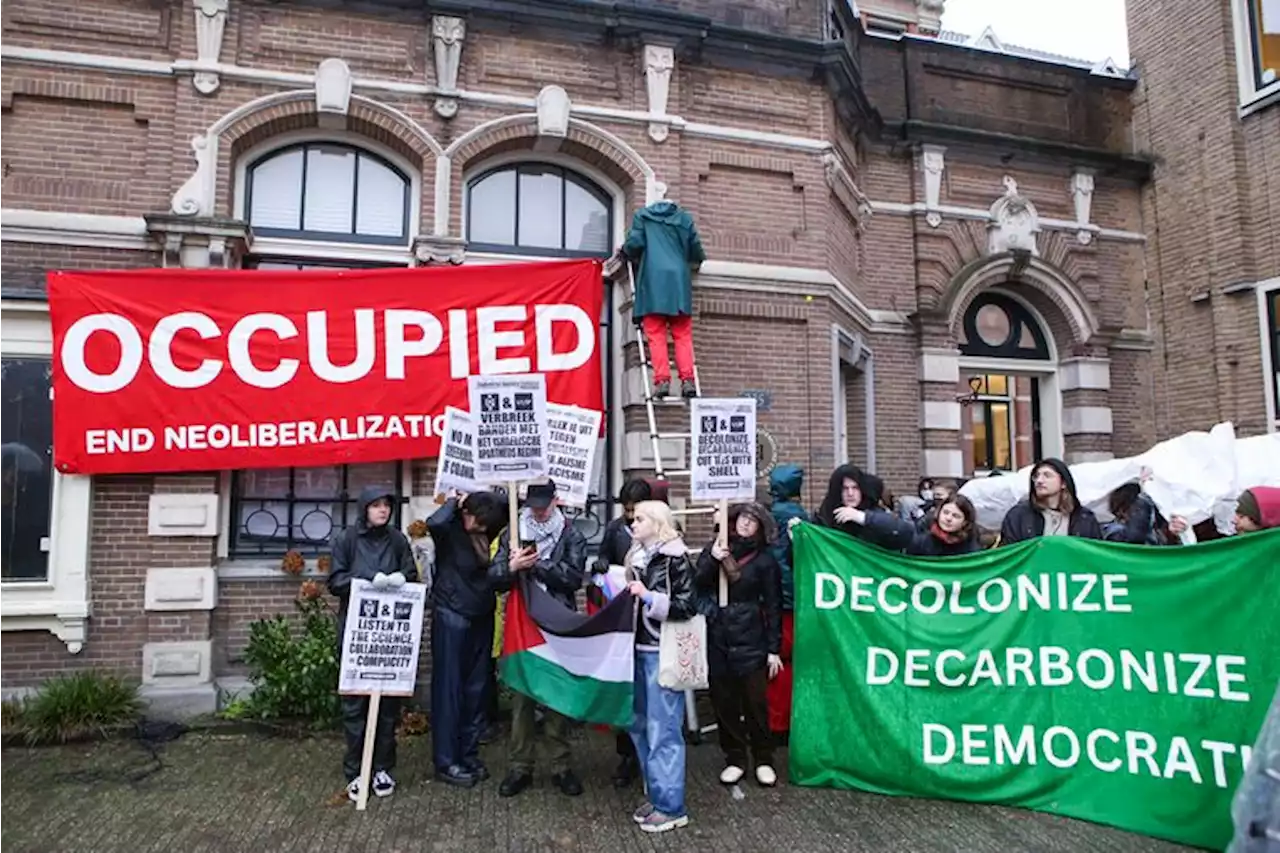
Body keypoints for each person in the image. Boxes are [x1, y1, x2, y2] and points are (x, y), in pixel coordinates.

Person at [491, 480, 588, 798]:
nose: (538, 511)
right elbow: (494, 578)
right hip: (522, 622)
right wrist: (511, 567)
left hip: (557, 620)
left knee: (557, 696)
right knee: (521, 695)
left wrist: (537, 566)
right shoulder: (512, 532)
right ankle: (520, 767)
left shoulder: (571, 533)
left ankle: (561, 766)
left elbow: (573, 578)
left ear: (555, 501)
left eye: (544, 505)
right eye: (533, 505)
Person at [325, 487, 419, 803]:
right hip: (357, 635)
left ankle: (382, 767)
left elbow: (410, 572)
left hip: (389, 635)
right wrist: (365, 582)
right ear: (364, 508)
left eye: (386, 506)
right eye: (376, 506)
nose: (382, 511)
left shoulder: (397, 540)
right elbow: (335, 581)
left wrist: (399, 581)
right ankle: (355, 771)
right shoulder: (347, 539)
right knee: (355, 708)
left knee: (387, 709)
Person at [695, 503, 783, 787]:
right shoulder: (717, 547)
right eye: (743, 518)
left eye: (753, 520)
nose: (746, 524)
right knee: (724, 701)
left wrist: (773, 649)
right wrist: (712, 559)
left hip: (751, 638)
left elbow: (773, 605)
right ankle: (734, 758)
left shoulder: (765, 561)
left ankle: (764, 758)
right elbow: (697, 583)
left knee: (755, 703)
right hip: (719, 636)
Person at [426, 490, 508, 787]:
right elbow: (433, 522)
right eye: (476, 521)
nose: (480, 527)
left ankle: (469, 754)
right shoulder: (449, 531)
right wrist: (455, 501)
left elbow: (508, 503)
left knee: (477, 690)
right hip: (452, 615)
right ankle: (447, 761)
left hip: (480, 614)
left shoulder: (491, 526)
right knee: (450, 690)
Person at [625, 500, 697, 833]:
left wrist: (649, 597)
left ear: (657, 522)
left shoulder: (675, 558)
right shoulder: (636, 555)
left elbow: (687, 605)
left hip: (661, 649)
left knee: (664, 728)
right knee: (640, 723)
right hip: (637, 648)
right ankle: (656, 795)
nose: (633, 523)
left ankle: (671, 806)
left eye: (640, 518)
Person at [590, 477, 652, 788]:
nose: (630, 517)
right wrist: (601, 564)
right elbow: (603, 557)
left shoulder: (663, 528)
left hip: (651, 621)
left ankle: (653, 754)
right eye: (626, 510)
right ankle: (627, 755)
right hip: (623, 618)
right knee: (626, 687)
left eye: (635, 511)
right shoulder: (615, 529)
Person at [620, 199, 706, 399]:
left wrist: (624, 250)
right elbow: (696, 250)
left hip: (652, 282)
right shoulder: (684, 218)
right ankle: (687, 380)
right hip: (678, 284)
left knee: (656, 335)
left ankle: (662, 381)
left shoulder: (643, 216)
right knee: (682, 335)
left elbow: (635, 243)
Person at [766, 464, 808, 738]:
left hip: (774, 597)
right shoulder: (799, 517)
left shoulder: (771, 514)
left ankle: (775, 722)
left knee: (776, 659)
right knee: (789, 659)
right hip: (794, 596)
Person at [813, 464, 916, 551]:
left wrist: (862, 517)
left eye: (855, 488)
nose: (850, 493)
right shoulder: (825, 518)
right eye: (845, 489)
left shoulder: (873, 512)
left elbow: (905, 531)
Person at [998, 458, 1102, 544]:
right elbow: (1008, 554)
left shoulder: (1084, 518)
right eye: (1036, 476)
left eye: (1047, 476)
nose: (1039, 481)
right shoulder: (1018, 516)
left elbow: (1095, 555)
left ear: (1063, 483)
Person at [1102, 469, 1189, 544]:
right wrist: (1145, 495)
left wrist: (1174, 534)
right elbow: (1136, 539)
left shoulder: (1157, 528)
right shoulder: (1115, 532)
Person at [906, 494, 981, 557]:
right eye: (945, 512)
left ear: (965, 522)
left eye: (955, 516)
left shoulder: (971, 548)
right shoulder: (921, 542)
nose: (948, 518)